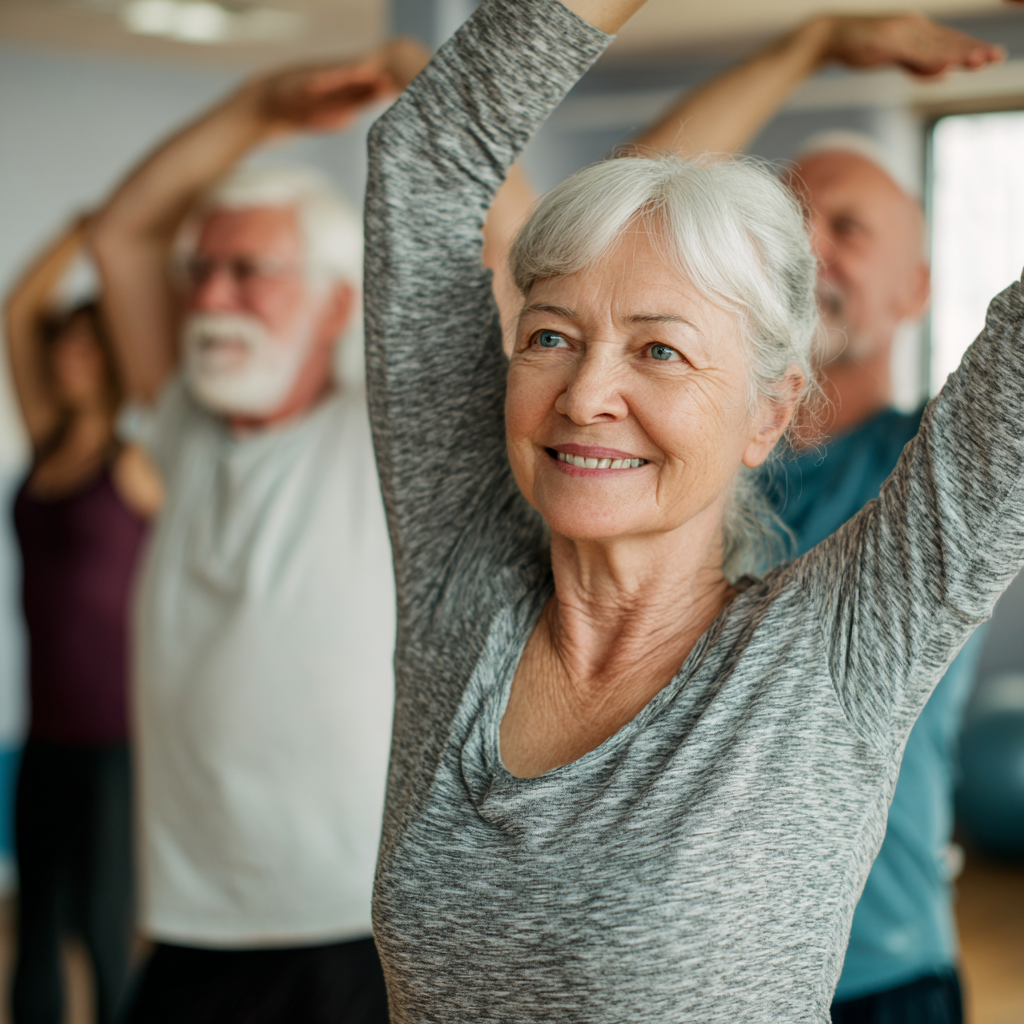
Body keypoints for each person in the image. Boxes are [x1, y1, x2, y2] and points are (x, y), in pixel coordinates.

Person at [361, 0, 1024, 1020]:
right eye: (549, 336)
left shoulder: (835, 645)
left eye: (659, 349)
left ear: (766, 414)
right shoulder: (463, 578)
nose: (584, 395)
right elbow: (425, 158)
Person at [636, 18, 1001, 1021]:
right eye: (787, 226)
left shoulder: (930, 472)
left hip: (877, 972)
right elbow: (628, 217)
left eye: (848, 228)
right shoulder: (652, 464)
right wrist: (813, 44)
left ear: (915, 288)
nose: (809, 246)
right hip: (670, 970)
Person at [89, 42, 430, 1024]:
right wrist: (255, 106)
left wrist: (453, 107)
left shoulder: (386, 433)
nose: (209, 298)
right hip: (195, 925)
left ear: (334, 302)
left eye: (250, 270)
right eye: (200, 270)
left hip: (351, 934)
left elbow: (513, 243)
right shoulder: (185, 427)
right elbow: (122, 235)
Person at [3, 215, 162, 1024]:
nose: (67, 358)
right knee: (34, 934)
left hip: (117, 742)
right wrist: (81, 231)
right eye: (61, 344)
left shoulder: (135, 465)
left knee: (104, 939)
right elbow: (14, 309)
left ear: (112, 360)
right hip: (47, 739)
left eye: (85, 345)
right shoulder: (47, 443)